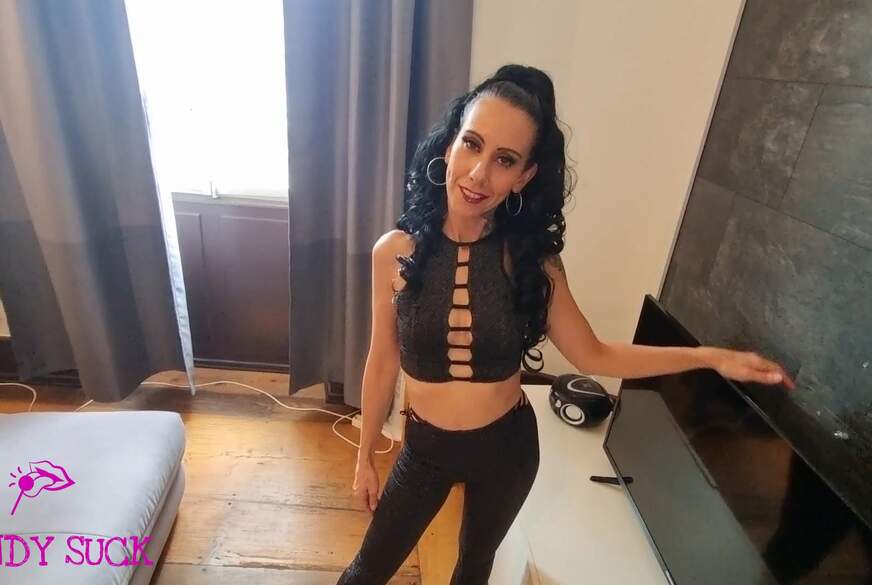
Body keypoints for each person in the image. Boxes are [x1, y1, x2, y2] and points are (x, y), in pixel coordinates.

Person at [337, 64, 795, 585]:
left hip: (506, 451)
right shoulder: (393, 252)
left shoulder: (532, 263)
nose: (480, 174)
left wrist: (706, 357)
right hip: (424, 452)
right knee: (364, 573)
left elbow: (595, 355)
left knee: (474, 568)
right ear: (449, 145)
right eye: (472, 144)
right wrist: (365, 455)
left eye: (505, 160)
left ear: (524, 176)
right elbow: (382, 360)